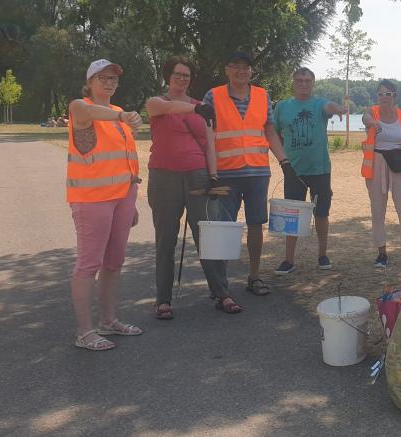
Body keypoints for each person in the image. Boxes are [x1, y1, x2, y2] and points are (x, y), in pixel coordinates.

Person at [144, 56, 243, 318]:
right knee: (165, 240)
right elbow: (158, 109)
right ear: (168, 76)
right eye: (177, 74)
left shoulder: (202, 107)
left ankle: (222, 293)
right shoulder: (158, 102)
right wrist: (193, 110)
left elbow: (209, 143)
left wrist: (213, 175)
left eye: (186, 75)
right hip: (164, 176)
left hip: (198, 175)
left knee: (208, 238)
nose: (182, 79)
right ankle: (162, 299)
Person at [66, 59, 145, 351]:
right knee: (89, 264)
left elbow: (123, 161)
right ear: (90, 82)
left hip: (121, 199)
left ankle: (108, 320)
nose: (109, 82)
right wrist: (123, 116)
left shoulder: (116, 114)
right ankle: (84, 332)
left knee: (114, 261)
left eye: (113, 77)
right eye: (102, 77)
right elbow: (86, 113)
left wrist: (131, 202)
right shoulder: (80, 106)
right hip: (92, 199)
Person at [203, 51, 289, 296]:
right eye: (236, 66)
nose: (242, 71)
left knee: (255, 223)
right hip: (225, 173)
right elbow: (206, 135)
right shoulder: (213, 96)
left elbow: (270, 132)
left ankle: (254, 276)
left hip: (257, 172)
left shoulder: (263, 96)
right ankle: (221, 285)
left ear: (251, 72)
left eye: (246, 67)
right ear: (227, 70)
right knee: (224, 227)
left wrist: (283, 159)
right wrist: (209, 171)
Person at [271, 67, 348, 275]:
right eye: (299, 80)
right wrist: (282, 158)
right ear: (293, 82)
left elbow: (328, 106)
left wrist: (338, 108)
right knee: (292, 214)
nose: (303, 84)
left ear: (313, 83)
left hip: (320, 169)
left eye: (307, 80)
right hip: (293, 171)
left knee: (322, 213)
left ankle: (322, 255)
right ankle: (288, 259)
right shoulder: (282, 107)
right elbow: (273, 132)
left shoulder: (318, 103)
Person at [361, 80, 401, 268]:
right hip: (377, 163)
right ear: (377, 97)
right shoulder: (372, 112)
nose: (384, 97)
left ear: (395, 96)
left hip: (399, 164)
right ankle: (381, 253)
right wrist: (372, 122)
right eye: (381, 94)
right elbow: (365, 118)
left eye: (388, 94)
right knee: (378, 209)